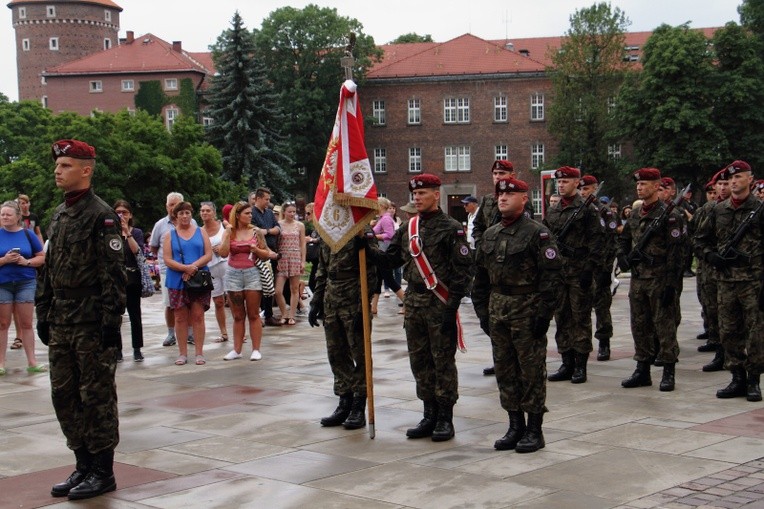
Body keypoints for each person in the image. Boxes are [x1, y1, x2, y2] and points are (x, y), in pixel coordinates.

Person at [37, 139, 126, 500]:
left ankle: (103, 471)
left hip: (90, 321)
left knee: (96, 396)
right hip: (61, 320)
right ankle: (83, 464)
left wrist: (111, 321)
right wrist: (43, 311)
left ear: (86, 170)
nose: (58, 171)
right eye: (58, 166)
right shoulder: (58, 214)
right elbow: (49, 268)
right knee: (64, 395)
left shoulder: (101, 215)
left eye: (66, 166)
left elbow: (113, 274)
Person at [472, 177, 562, 453]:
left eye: (510, 195)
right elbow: (480, 278)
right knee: (505, 369)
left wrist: (544, 314)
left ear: (524, 199)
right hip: (498, 308)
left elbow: (552, 276)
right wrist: (482, 312)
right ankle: (514, 425)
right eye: (500, 194)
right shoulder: (491, 233)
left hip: (527, 307)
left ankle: (534, 429)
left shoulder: (538, 233)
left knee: (531, 370)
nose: (502, 198)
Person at [381, 173, 473, 441]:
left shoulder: (451, 227)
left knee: (442, 361)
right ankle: (428, 413)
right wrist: (365, 245)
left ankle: (445, 418)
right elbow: (392, 259)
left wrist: (451, 306)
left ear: (436, 194)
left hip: (439, 302)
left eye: (422, 193)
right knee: (419, 360)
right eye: (415, 194)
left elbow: (463, 271)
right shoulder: (408, 227)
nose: (417, 198)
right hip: (414, 303)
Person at [696, 161, 763, 402]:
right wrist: (711, 256)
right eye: (730, 178)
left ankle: (754, 379)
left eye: (739, 177)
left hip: (753, 282)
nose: (734, 182)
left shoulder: (759, 209)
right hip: (724, 282)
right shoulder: (717, 210)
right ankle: (737, 377)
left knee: (756, 333)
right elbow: (700, 241)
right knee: (728, 331)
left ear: (750, 179)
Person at [617, 168, 683, 392]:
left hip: (660, 277)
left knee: (664, 325)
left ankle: (668, 370)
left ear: (657, 186)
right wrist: (623, 257)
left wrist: (671, 285)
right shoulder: (635, 214)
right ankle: (642, 369)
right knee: (639, 324)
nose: (639, 187)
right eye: (638, 184)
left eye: (644, 184)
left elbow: (677, 254)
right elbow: (624, 239)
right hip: (638, 279)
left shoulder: (671, 215)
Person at [310, 229, 378, 430]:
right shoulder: (327, 229)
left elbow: (372, 270)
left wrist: (364, 305)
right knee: (336, 352)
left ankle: (358, 405)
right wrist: (316, 301)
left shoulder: (360, 229)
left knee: (360, 353)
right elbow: (322, 268)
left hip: (354, 297)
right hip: (332, 297)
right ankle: (344, 401)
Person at [543, 166, 604, 384]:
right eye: (558, 182)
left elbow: (597, 241)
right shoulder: (554, 210)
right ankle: (566, 361)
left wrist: (590, 269)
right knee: (562, 317)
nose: (561, 185)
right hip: (559, 273)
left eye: (565, 182)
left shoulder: (587, 209)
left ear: (576, 183)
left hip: (579, 272)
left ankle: (580, 364)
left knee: (580, 318)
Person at [472, 159, 527, 377]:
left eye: (502, 173)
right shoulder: (487, 200)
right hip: (489, 261)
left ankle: (516, 361)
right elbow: (477, 226)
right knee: (489, 317)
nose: (498, 177)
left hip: (512, 265)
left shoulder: (519, 200)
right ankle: (500, 359)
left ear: (512, 175)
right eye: (495, 173)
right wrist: (482, 242)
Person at [218, 201, 271, 361]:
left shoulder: (256, 232)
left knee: (253, 313)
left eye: (250, 213)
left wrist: (256, 250)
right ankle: (237, 349)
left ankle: (256, 349)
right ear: (238, 215)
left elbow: (266, 253)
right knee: (238, 315)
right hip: (233, 273)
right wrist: (227, 235)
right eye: (247, 213)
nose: (250, 216)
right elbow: (222, 253)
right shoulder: (230, 232)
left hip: (252, 272)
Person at [162, 202, 212, 366]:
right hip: (177, 280)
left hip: (198, 280)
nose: (184, 216)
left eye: (187, 213)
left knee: (198, 315)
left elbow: (208, 254)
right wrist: (184, 268)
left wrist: (193, 268)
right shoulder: (170, 235)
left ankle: (199, 352)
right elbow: (167, 259)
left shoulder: (201, 231)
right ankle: (182, 353)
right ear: (176, 216)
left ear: (192, 215)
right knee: (180, 316)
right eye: (181, 213)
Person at [0, 200, 46, 375]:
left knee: (26, 323)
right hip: (2, 283)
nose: (5, 217)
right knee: (3, 324)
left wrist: (25, 261)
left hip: (25, 282)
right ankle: (1, 363)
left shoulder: (28, 234)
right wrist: (5, 260)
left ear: (18, 217)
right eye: (2, 214)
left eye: (8, 214)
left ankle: (32, 361)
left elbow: (41, 257)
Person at [579, 175, 618, 361]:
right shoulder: (579, 210)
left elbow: (610, 242)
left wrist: (606, 269)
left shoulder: (604, 211)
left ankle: (604, 342)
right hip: (582, 266)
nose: (582, 192)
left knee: (602, 307)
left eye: (586, 189)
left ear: (594, 188)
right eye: (581, 189)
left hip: (599, 266)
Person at [150, 192, 196, 347]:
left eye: (177, 205)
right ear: (166, 206)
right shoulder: (160, 225)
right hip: (167, 271)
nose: (174, 208)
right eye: (171, 205)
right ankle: (171, 334)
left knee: (189, 303)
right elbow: (154, 246)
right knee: (170, 304)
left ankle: (190, 333)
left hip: (190, 271)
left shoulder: (193, 223)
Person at [692, 175, 724, 371]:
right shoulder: (712, 210)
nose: (722, 187)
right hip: (714, 269)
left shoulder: (756, 210)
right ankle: (722, 352)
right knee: (716, 311)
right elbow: (698, 237)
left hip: (749, 275)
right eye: (719, 184)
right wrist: (709, 254)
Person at [113, 199, 145, 362]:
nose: (121, 215)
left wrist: (127, 232)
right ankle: (117, 349)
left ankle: (137, 348)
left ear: (130, 214)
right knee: (115, 316)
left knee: (135, 315)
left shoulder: (137, 232)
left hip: (132, 279)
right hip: (115, 279)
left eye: (124, 212)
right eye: (118, 212)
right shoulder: (110, 232)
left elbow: (137, 251)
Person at [249, 189, 282, 326]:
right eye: (266, 199)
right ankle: (256, 315)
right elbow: (255, 232)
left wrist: (267, 231)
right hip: (258, 254)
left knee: (269, 284)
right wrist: (267, 232)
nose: (269, 202)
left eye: (269, 199)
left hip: (272, 253)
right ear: (258, 199)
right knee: (257, 285)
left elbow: (278, 228)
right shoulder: (251, 213)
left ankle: (268, 314)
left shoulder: (269, 213)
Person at [200, 201, 229, 344]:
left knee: (234, 299)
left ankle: (240, 332)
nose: (205, 213)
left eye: (208, 210)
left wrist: (223, 246)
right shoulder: (199, 231)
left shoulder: (223, 226)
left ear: (214, 212)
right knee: (218, 301)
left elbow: (232, 239)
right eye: (202, 211)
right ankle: (223, 332)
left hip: (226, 264)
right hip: (210, 268)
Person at [371, 197, 405, 315]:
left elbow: (390, 235)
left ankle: (407, 303)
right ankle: (373, 307)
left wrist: (375, 236)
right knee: (378, 280)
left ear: (381, 206)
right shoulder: (383, 219)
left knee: (389, 280)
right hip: (381, 253)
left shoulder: (385, 219)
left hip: (384, 253)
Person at [275, 202, 306, 325]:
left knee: (294, 288)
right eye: (290, 211)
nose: (292, 214)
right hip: (282, 256)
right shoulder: (278, 225)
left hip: (295, 256)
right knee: (278, 290)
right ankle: (284, 313)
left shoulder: (300, 225)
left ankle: (292, 315)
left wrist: (303, 261)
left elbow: (303, 243)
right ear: (284, 212)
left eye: (294, 212)